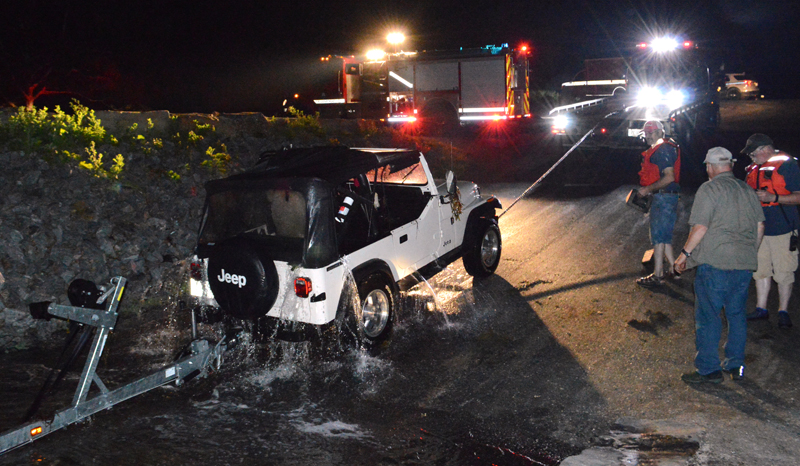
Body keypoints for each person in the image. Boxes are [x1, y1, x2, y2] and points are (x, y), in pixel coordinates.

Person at [675, 147, 764, 384]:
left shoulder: (709, 188)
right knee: (736, 315)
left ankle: (708, 369)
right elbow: (759, 227)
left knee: (708, 316)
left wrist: (684, 255)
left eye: (707, 166)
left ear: (711, 167)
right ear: (730, 165)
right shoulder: (747, 189)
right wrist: (748, 253)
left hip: (715, 264)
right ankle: (735, 365)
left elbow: (700, 227)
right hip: (743, 264)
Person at [742, 133, 799, 329]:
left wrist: (772, 197)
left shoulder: (787, 166)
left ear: (764, 150)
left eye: (752, 153)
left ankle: (783, 311)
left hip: (783, 228)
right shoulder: (752, 169)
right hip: (759, 229)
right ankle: (761, 309)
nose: (750, 157)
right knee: (760, 270)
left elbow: (798, 197)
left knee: (784, 271)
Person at [636, 120, 681, 287]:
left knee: (658, 237)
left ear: (659, 132)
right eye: (646, 132)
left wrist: (647, 190)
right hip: (667, 197)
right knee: (665, 236)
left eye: (650, 132)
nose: (647, 135)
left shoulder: (662, 150)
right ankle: (674, 270)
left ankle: (658, 274)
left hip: (663, 197)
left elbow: (669, 176)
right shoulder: (666, 147)